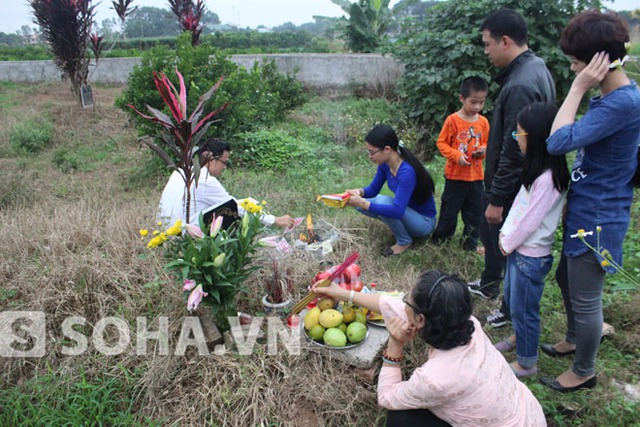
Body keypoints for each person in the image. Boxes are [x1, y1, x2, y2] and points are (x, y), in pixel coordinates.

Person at [539, 10, 640, 393]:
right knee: (567, 278)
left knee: (586, 299)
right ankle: (573, 338)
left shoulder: (621, 103)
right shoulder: (613, 97)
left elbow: (557, 141)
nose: (571, 67)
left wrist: (578, 88)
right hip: (587, 206)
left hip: (598, 218)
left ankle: (584, 370)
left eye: (576, 61)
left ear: (598, 61)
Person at [312, 270, 546, 426]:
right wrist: (342, 294)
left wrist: (394, 346)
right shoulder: (468, 324)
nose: (402, 303)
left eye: (407, 300)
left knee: (400, 418)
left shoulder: (435, 378)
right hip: (527, 415)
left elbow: (386, 397)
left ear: (420, 320)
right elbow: (387, 304)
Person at [468, 8, 556, 330]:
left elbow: (514, 148)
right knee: (500, 241)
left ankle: (508, 308)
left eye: (488, 44)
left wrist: (497, 197)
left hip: (517, 183)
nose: (486, 51)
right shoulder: (537, 67)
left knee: (509, 245)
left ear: (505, 41)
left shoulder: (520, 84)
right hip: (525, 179)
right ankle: (493, 285)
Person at [492, 102, 569, 378]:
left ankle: (527, 362)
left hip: (530, 256)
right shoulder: (536, 172)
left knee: (526, 310)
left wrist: (508, 242)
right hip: (518, 250)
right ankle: (517, 337)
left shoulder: (548, 180)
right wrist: (506, 236)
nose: (516, 140)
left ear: (535, 139)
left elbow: (531, 221)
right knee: (514, 302)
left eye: (519, 135)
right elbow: (519, 209)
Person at [157, 138, 295, 228]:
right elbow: (234, 207)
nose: (224, 167)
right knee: (233, 213)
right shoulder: (205, 181)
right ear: (211, 159)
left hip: (168, 229)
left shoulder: (181, 172)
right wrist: (275, 220)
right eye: (224, 163)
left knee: (246, 203)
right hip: (184, 233)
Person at [345, 124, 436, 257]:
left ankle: (404, 241)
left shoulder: (406, 172)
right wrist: (358, 193)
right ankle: (402, 229)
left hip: (423, 223)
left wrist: (364, 203)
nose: (369, 156)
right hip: (407, 212)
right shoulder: (385, 165)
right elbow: (373, 189)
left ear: (387, 149)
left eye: (371, 152)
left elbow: (397, 210)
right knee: (362, 205)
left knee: (381, 203)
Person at [431, 76, 489, 252]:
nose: (477, 107)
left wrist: (482, 151)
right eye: (473, 102)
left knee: (475, 213)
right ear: (462, 98)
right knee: (449, 212)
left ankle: (470, 245)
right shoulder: (453, 121)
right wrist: (456, 155)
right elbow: (441, 143)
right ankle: (441, 243)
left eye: (481, 102)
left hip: (476, 177)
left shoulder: (483, 122)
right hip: (455, 177)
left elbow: (486, 143)